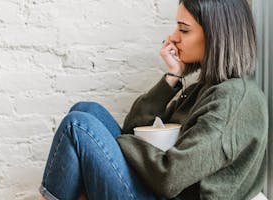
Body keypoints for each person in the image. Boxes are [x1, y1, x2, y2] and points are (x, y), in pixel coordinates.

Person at [39, 0, 268, 199]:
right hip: (157, 188)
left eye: (184, 30)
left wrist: (118, 142)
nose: (173, 38)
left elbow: (170, 177)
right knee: (86, 110)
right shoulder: (205, 89)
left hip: (167, 193)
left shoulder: (233, 101)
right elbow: (133, 128)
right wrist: (172, 77)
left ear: (215, 35)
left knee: (78, 125)